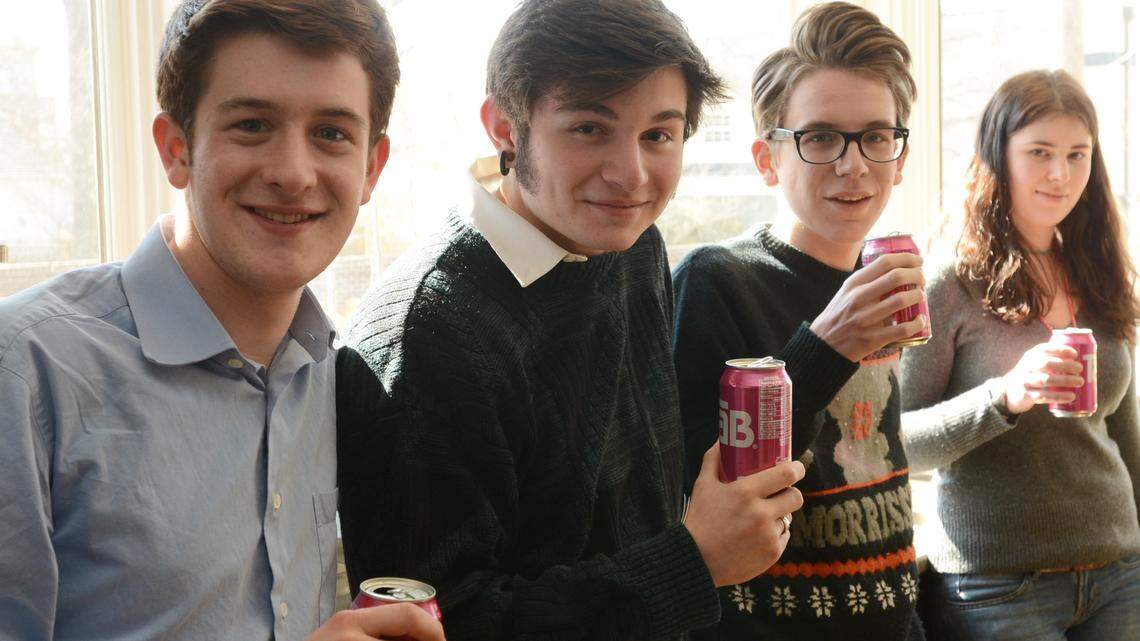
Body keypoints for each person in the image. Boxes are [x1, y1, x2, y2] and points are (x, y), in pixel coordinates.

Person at [335, 1, 806, 639]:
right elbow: (448, 620)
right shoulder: (428, 329)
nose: (631, 176)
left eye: (659, 135)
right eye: (589, 128)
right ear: (503, 125)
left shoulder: (634, 245)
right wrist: (692, 563)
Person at [0, 1, 443, 640]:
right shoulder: (27, 371)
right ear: (176, 148)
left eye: (331, 134)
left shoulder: (335, 375)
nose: (293, 174)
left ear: (371, 168)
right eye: (252, 125)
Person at [672, 3, 927, 640]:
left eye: (876, 136)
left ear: (900, 156)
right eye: (819, 138)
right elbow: (695, 488)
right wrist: (825, 345)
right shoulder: (716, 279)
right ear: (767, 159)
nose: (854, 165)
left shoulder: (889, 277)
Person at [900, 69, 1140, 640]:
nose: (1061, 174)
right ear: (997, 156)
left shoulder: (1100, 274)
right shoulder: (947, 284)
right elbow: (898, 444)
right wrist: (1004, 396)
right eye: (1040, 152)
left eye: (1078, 155)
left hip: (1119, 572)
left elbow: (1126, 435)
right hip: (998, 588)